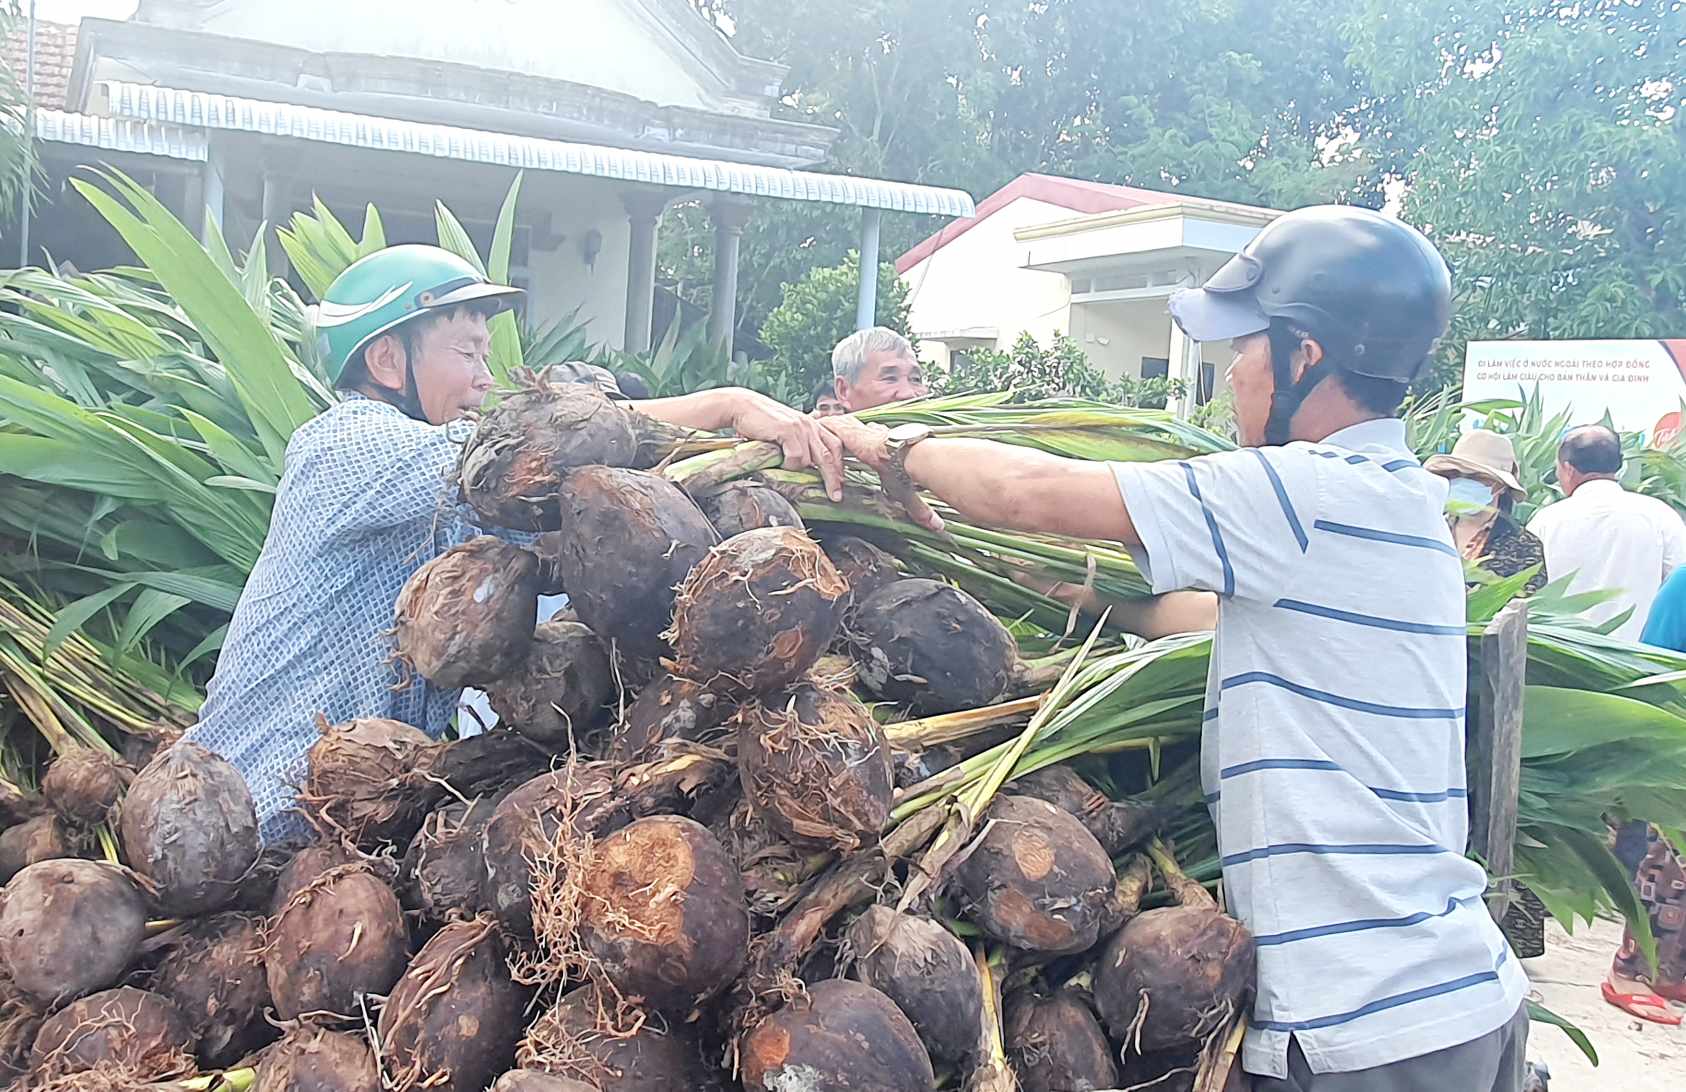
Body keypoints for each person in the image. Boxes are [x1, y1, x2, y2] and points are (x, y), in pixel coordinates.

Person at [821, 206, 1529, 1090]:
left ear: (1305, 356)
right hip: (1449, 1002)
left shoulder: (1306, 491)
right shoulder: (1398, 502)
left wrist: (891, 446)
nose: (1234, 373)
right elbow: (1190, 615)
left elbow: (1028, 490)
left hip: (1368, 1029)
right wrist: (1037, 584)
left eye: (1247, 348)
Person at [186, 244, 844, 843]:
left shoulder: (472, 501)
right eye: (466, 353)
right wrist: (725, 408)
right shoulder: (344, 446)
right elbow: (532, 449)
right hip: (246, 810)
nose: (483, 376)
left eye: (485, 354)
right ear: (387, 361)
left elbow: (591, 514)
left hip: (343, 819)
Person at [1594, 577, 1686, 1024]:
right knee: (1663, 866)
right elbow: (1657, 665)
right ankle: (1629, 973)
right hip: (1674, 740)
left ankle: (1671, 973)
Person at [1526, 425, 1686, 641]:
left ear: (1568, 468)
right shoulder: (1660, 516)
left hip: (1564, 658)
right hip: (1644, 659)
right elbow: (1678, 582)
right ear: (1619, 465)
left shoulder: (1544, 522)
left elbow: (1528, 592)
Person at [1425, 430, 1547, 593]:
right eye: (1456, 474)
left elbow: (1528, 608)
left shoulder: (1525, 546)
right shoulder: (1429, 529)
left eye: (1478, 477)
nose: (1464, 482)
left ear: (1501, 486)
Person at [830, 327, 928, 412]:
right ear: (844, 391)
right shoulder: (818, 432)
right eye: (890, 378)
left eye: (916, 379)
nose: (908, 394)